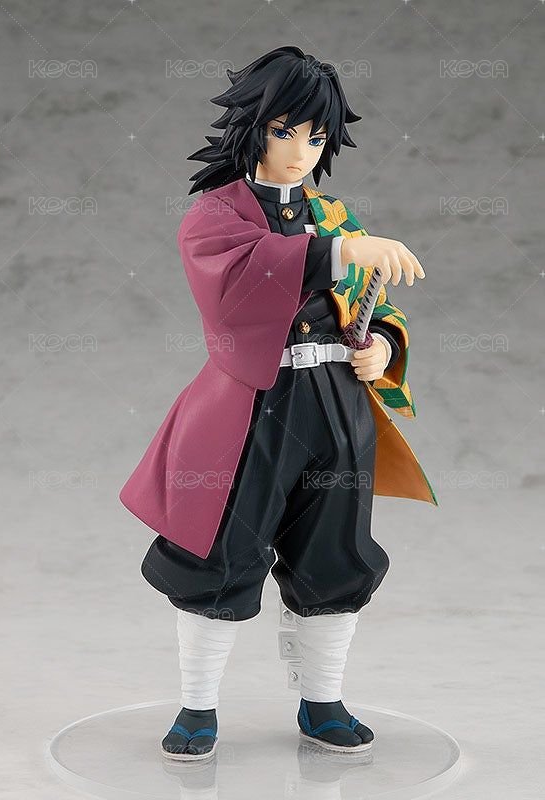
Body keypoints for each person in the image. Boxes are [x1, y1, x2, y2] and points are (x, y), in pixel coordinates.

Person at [119, 46, 436, 761]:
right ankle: (198, 706)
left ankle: (322, 700)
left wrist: (383, 345)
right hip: (251, 414)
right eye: (285, 130)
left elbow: (372, 306)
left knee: (336, 552)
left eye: (316, 137)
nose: (301, 150)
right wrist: (340, 253)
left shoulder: (333, 216)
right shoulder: (216, 216)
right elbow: (235, 290)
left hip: (335, 406)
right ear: (254, 126)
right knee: (221, 551)